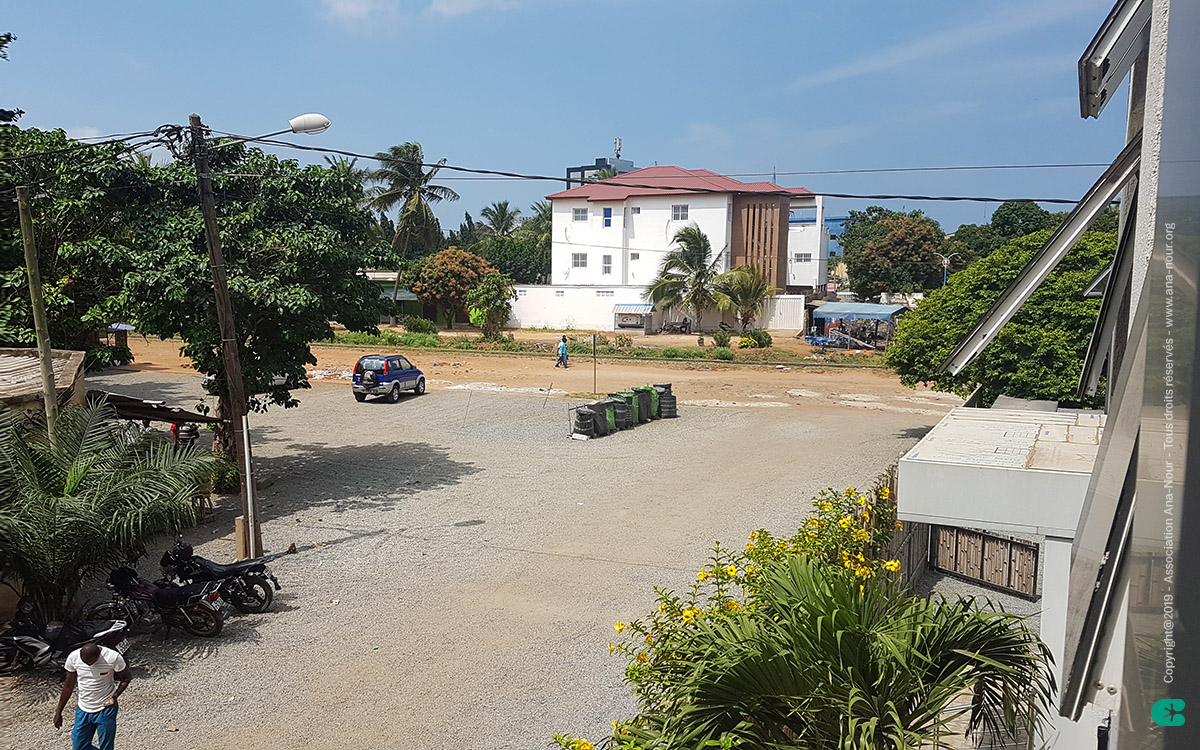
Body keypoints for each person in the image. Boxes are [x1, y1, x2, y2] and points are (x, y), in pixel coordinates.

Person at [54, 643, 130, 750]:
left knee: (106, 747)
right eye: (85, 663)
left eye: (91, 663)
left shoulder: (113, 657)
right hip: (83, 708)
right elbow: (68, 687)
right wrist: (58, 712)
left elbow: (126, 678)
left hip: (106, 708)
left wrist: (114, 696)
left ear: (99, 653)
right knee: (79, 747)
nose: (89, 665)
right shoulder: (73, 657)